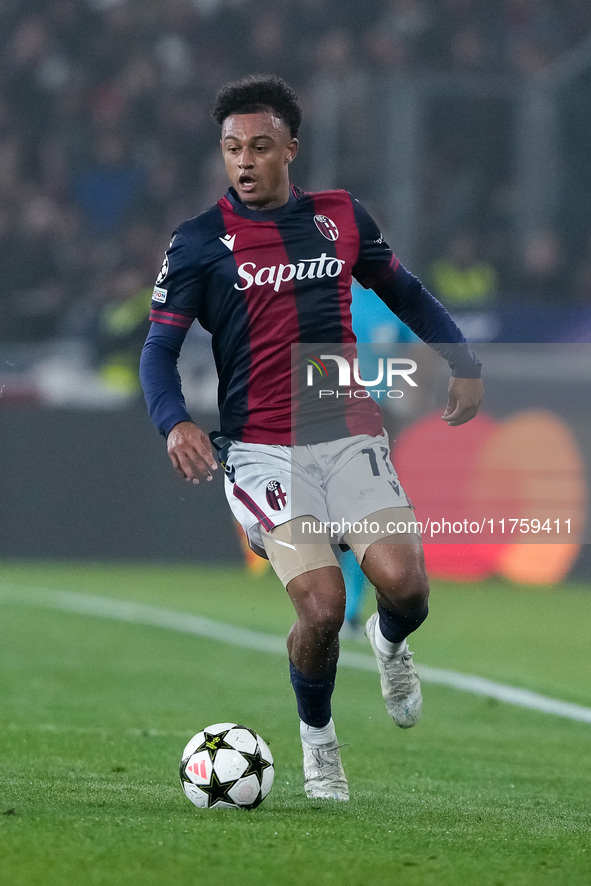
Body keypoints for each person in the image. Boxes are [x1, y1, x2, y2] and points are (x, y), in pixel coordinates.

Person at [139, 74, 484, 802]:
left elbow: (405, 291)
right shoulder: (201, 242)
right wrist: (173, 422)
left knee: (407, 589)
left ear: (289, 149)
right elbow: (157, 351)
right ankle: (318, 742)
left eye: (260, 147)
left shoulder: (339, 218)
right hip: (262, 449)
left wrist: (459, 357)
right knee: (322, 606)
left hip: (343, 426)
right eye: (232, 148)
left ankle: (389, 641)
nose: (244, 161)